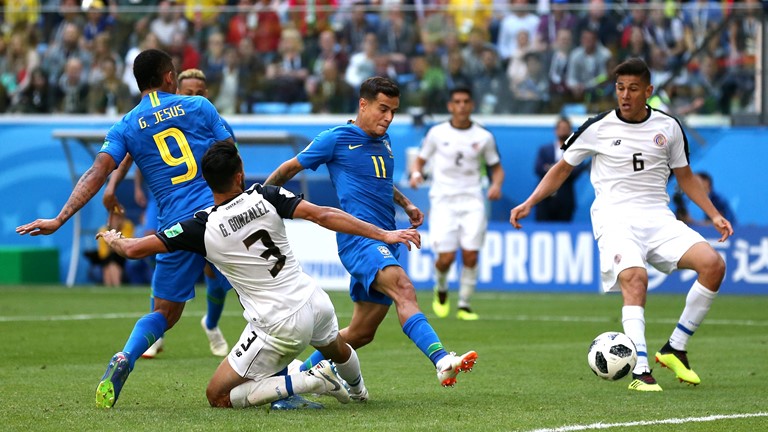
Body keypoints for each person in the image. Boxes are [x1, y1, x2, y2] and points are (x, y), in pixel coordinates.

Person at [95, 142, 422, 408]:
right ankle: (359, 392)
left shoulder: (199, 226)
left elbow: (137, 249)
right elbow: (323, 215)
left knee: (217, 395)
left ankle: (310, 380)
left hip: (277, 324)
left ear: (206, 182)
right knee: (337, 347)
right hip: (314, 299)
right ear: (239, 174)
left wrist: (114, 238)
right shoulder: (266, 195)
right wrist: (384, 235)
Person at [17, 48, 236, 408]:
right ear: (169, 78)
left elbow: (97, 172)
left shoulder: (127, 124)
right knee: (262, 298)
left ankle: (125, 357)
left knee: (164, 313)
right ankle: (276, 381)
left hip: (173, 228)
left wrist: (59, 218)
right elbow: (230, 154)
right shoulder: (200, 108)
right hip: (217, 214)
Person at [509, 58, 733, 392]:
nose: (625, 95)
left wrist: (713, 213)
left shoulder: (669, 127)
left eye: (633, 88)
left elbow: (685, 177)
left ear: (649, 91)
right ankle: (641, 369)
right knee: (635, 277)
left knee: (713, 265)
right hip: (614, 218)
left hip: (658, 218)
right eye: (620, 88)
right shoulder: (597, 127)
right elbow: (561, 169)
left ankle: (675, 348)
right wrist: (530, 202)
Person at [265, 76, 478, 387]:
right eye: (383, 109)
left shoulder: (384, 140)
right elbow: (288, 169)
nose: (389, 117)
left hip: (386, 238)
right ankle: (441, 359)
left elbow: (378, 181)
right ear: (363, 104)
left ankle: (300, 375)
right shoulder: (335, 138)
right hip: (360, 240)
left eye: (393, 111)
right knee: (404, 288)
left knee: (361, 333)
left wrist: (406, 203)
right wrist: (257, 200)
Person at [102, 67, 237, 360]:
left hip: (207, 204)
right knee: (154, 243)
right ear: (175, 89)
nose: (193, 96)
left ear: (206, 94)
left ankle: (211, 324)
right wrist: (118, 185)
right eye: (187, 92)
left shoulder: (209, 116)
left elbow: (231, 160)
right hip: (166, 202)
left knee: (211, 270)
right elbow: (128, 157)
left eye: (199, 93)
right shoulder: (154, 120)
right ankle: (157, 334)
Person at [408, 86, 505, 321]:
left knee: (471, 255)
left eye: (466, 101)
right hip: (443, 201)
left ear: (471, 105)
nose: (461, 106)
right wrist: (415, 174)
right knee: (446, 258)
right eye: (457, 102)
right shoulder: (437, 133)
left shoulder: (484, 136)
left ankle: (464, 304)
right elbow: (419, 161)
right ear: (450, 106)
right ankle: (440, 288)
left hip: (472, 200)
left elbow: (497, 168)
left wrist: (495, 185)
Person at [533, 116, 587, 222]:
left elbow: (576, 171)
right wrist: (562, 169)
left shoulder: (576, 150)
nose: (563, 131)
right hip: (544, 199)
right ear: (555, 130)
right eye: (560, 128)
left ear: (570, 131)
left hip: (565, 199)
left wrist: (551, 168)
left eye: (565, 128)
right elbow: (538, 169)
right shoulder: (544, 150)